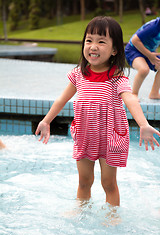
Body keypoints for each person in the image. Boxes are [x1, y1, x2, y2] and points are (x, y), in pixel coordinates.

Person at [35, 16, 160, 207]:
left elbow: (130, 99)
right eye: (89, 40)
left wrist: (143, 124)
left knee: (108, 183)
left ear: (114, 50)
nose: (93, 46)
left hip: (110, 137)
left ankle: (112, 216)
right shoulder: (78, 74)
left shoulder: (116, 77)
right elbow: (62, 100)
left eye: (101, 42)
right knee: (84, 181)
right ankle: (81, 211)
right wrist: (46, 121)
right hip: (86, 135)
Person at [125, 17, 160, 99]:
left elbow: (154, 41)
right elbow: (135, 40)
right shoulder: (154, 27)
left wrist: (153, 53)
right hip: (133, 50)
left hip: (148, 51)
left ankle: (154, 93)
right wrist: (150, 55)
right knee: (144, 69)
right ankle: (134, 95)